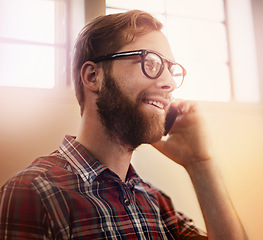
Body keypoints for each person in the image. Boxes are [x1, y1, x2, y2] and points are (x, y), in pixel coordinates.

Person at [0, 10, 247, 239]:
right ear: (93, 76)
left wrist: (200, 164)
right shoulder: (32, 192)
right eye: (150, 63)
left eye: (171, 70)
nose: (169, 83)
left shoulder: (157, 204)